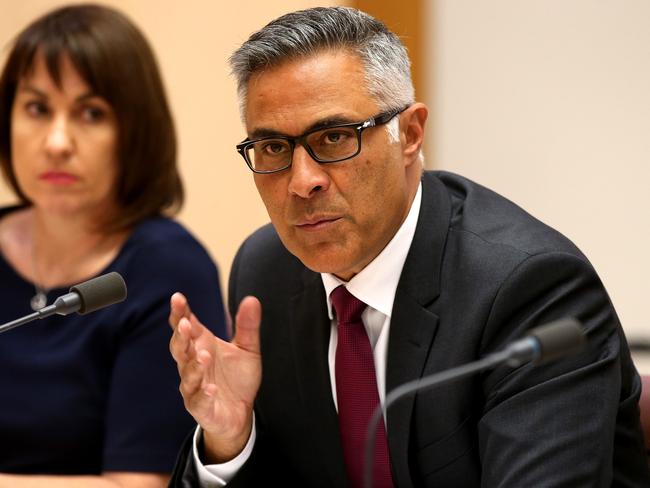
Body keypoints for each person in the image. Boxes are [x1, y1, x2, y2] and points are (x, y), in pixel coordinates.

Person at [168, 6, 650, 487]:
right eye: (273, 147)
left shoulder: (530, 289)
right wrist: (229, 442)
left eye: (335, 138)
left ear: (410, 135)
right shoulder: (267, 271)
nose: (302, 182)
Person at [0, 4, 227, 487]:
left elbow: (136, 486)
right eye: (38, 108)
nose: (57, 141)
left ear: (134, 133)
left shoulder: (167, 271)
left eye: (90, 113)